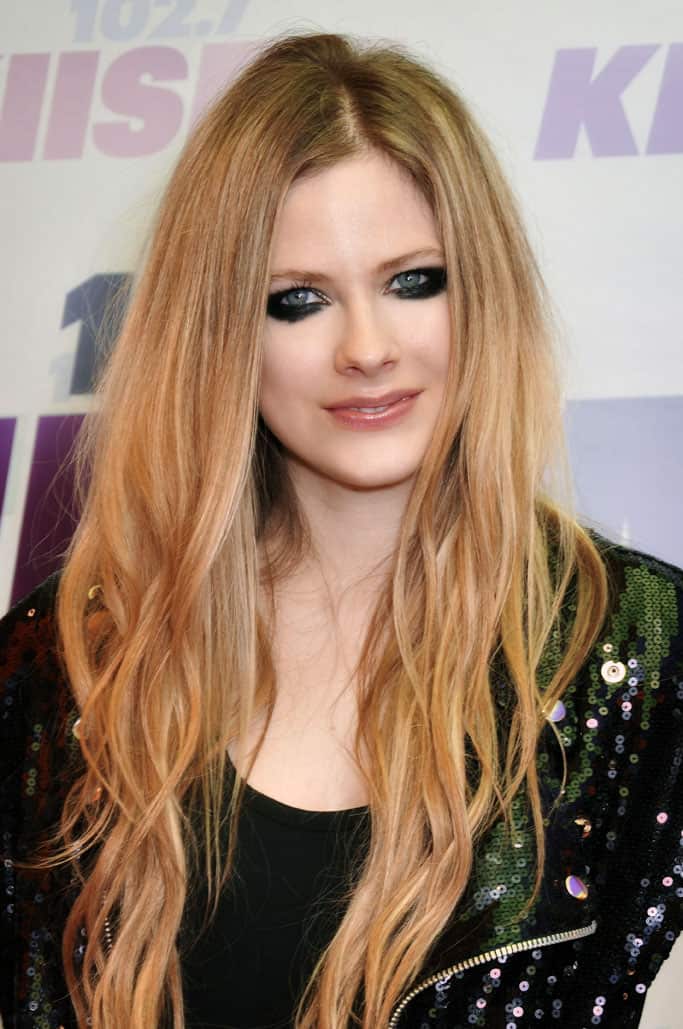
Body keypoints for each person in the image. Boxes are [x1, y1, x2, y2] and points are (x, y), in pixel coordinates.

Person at [0, 27, 681, 1029]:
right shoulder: (62, 663)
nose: (366, 348)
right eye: (297, 300)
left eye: (412, 281)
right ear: (220, 331)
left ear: (480, 293)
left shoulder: (647, 656)